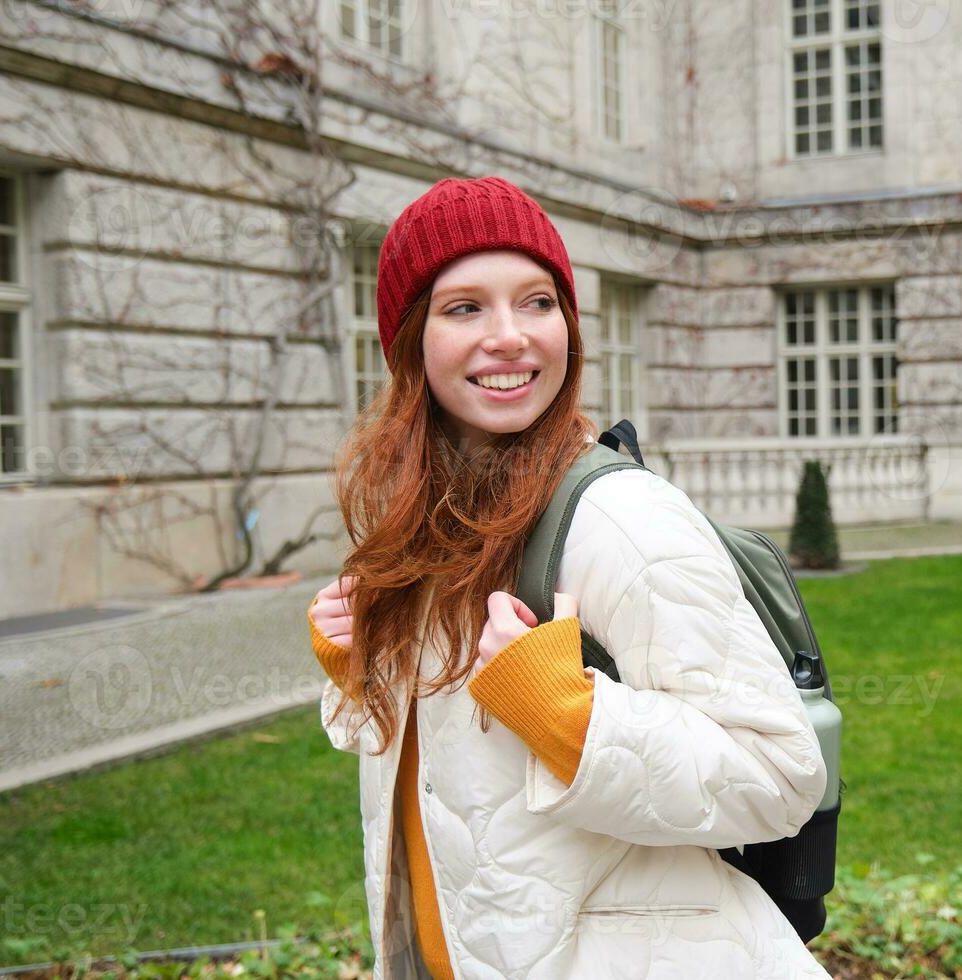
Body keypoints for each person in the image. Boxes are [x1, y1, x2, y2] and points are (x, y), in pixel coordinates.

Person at [306, 175, 832, 980]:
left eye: (538, 302)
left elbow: (779, 773)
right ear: (409, 340)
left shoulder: (621, 518)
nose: (510, 336)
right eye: (465, 308)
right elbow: (461, 787)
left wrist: (574, 719)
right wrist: (367, 666)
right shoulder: (430, 518)